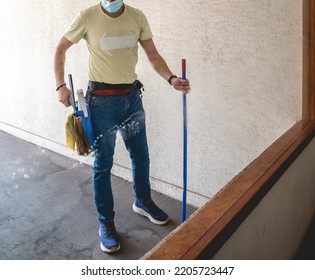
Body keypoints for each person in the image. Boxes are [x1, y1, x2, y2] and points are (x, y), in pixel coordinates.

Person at [54, 0, 190, 254]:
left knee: (141, 155)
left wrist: (171, 79)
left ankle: (143, 200)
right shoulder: (87, 16)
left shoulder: (137, 17)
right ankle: (106, 222)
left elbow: (153, 55)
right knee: (103, 164)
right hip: (101, 102)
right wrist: (61, 86)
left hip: (132, 99)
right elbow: (61, 49)